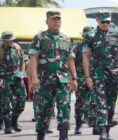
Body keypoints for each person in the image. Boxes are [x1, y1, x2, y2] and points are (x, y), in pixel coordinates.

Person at [29, 10, 78, 140]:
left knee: (65, 108)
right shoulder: (39, 37)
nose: (57, 21)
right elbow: (33, 58)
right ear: (47, 21)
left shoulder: (66, 39)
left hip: (63, 80)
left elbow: (70, 59)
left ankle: (63, 136)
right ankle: (40, 134)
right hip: (45, 80)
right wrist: (34, 78)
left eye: (58, 19)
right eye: (53, 19)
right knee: (44, 109)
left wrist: (74, 78)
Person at [83, 11, 118, 140]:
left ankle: (107, 131)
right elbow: (86, 56)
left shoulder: (117, 35)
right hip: (98, 74)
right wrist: (87, 76)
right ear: (97, 20)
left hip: (113, 74)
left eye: (108, 21)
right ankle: (102, 132)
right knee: (100, 102)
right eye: (103, 21)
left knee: (111, 104)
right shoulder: (91, 36)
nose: (106, 24)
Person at [0, 31, 27, 134]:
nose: (9, 42)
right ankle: (8, 125)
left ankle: (14, 120)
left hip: (17, 78)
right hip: (4, 79)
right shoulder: (0, 50)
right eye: (7, 41)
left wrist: (22, 72)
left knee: (21, 100)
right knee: (5, 103)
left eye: (11, 40)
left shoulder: (17, 48)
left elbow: (23, 61)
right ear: (3, 40)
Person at [72, 26, 94, 134]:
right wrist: (73, 78)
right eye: (87, 35)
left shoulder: (97, 46)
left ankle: (95, 124)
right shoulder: (77, 47)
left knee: (94, 101)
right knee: (80, 102)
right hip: (81, 78)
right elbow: (71, 63)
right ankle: (78, 125)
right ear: (83, 35)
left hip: (94, 77)